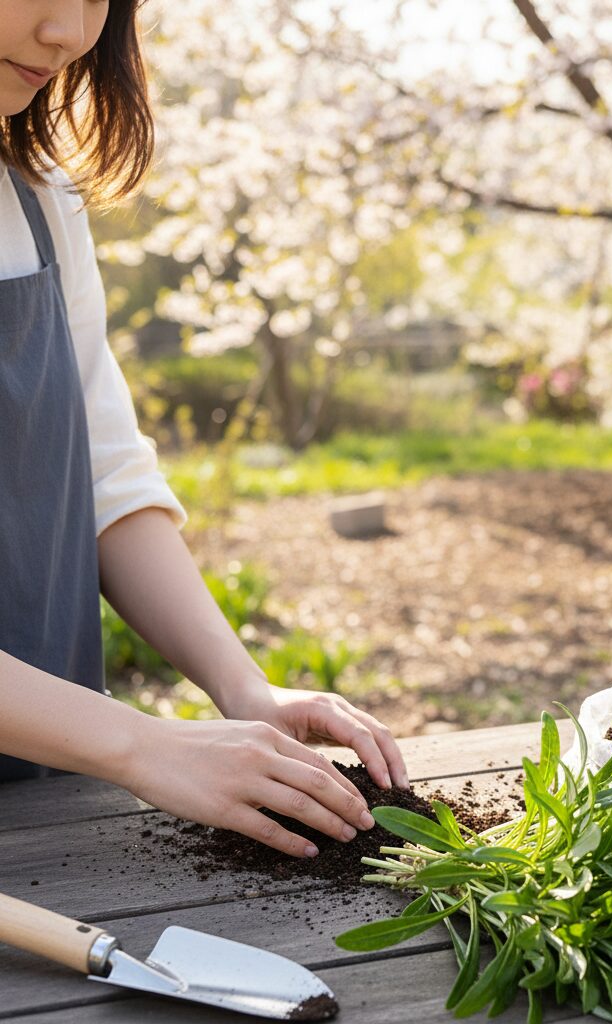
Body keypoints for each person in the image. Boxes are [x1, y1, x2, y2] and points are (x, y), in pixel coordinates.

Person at [0, 0, 410, 858]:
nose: (71, 34)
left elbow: (105, 477)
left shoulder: (39, 196)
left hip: (48, 812)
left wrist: (243, 687)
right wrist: (144, 744)